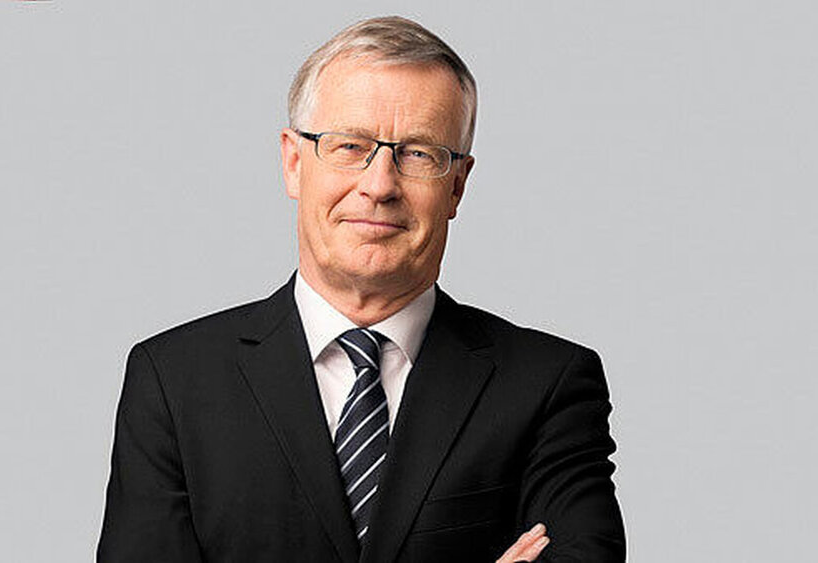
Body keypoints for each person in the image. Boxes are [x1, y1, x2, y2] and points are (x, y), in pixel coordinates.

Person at [97, 15, 624, 563]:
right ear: (293, 162)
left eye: (418, 154)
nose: (379, 185)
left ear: (457, 186)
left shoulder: (547, 385)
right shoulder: (174, 381)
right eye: (350, 146)